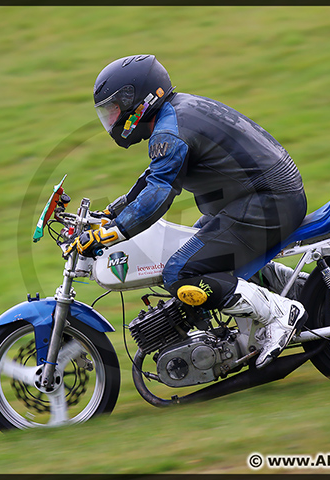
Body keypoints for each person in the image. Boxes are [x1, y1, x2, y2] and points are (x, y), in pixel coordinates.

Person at [70, 54, 308, 367]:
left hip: (265, 204)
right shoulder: (175, 111)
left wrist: (108, 234)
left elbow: (158, 195)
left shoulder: (170, 132)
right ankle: (297, 287)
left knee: (180, 271)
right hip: (261, 200)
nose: (112, 120)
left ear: (136, 98)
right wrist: (112, 213)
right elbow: (153, 178)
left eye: (114, 110)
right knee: (196, 247)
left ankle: (279, 313)